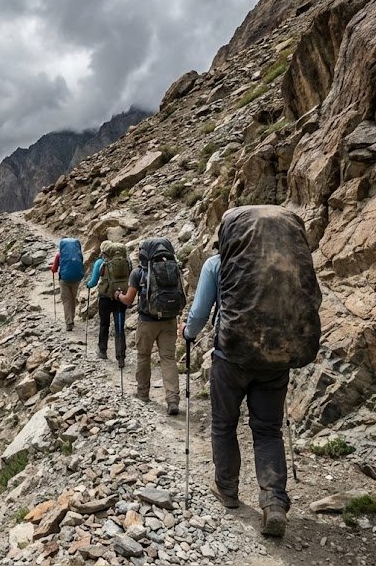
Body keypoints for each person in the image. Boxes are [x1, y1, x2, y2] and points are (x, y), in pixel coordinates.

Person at [180, 206, 322, 538]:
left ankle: (227, 489)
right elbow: (313, 299)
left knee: (224, 423)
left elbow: (200, 312)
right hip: (276, 359)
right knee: (268, 430)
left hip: (232, 357)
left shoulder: (218, 264)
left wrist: (188, 334)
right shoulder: (290, 265)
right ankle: (273, 502)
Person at [115, 238, 186, 413]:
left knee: (143, 356)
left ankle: (143, 393)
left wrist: (118, 296)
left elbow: (129, 300)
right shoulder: (173, 269)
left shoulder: (139, 273)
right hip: (169, 320)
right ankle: (172, 399)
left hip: (147, 322)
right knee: (168, 359)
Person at [85, 240, 129, 365]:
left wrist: (87, 285)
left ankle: (102, 350)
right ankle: (121, 356)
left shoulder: (101, 262)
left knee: (104, 324)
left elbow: (93, 282)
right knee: (119, 326)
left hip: (105, 298)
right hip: (120, 297)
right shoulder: (126, 262)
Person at [51, 238, 84, 331]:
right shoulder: (78, 254)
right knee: (73, 299)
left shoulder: (59, 255)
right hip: (76, 280)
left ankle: (69, 322)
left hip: (64, 280)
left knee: (66, 300)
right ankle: (72, 318)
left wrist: (53, 269)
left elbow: (54, 269)